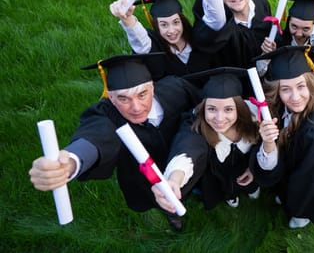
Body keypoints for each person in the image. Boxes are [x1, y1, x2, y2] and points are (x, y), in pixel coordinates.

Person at [28, 53, 203, 231]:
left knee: (191, 180)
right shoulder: (107, 114)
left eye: (142, 95)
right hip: (143, 177)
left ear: (152, 87)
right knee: (161, 200)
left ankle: (193, 190)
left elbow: (202, 108)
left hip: (182, 155)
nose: (135, 108)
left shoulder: (176, 89)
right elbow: (96, 135)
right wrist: (70, 163)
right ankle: (172, 216)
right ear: (110, 98)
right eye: (123, 98)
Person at [250, 46, 314, 228]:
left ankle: (301, 215)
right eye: (285, 89)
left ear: (310, 85)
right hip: (291, 171)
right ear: (277, 91)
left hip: (310, 182)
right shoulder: (278, 109)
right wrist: (268, 142)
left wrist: (296, 203)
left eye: (301, 86)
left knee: (299, 204)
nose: (295, 97)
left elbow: (313, 181)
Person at [153, 67, 261, 213]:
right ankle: (231, 196)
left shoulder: (256, 118)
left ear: (239, 108)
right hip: (221, 173)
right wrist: (175, 178)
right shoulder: (197, 124)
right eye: (211, 109)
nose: (219, 118)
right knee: (225, 185)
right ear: (203, 108)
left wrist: (253, 168)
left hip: (246, 166)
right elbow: (187, 146)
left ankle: (251, 189)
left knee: (249, 181)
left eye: (228, 109)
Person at [110, 0, 211, 80]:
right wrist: (127, 18)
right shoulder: (155, 46)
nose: (171, 31)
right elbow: (140, 39)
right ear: (156, 26)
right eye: (164, 25)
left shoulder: (198, 38)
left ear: (182, 21)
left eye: (176, 22)